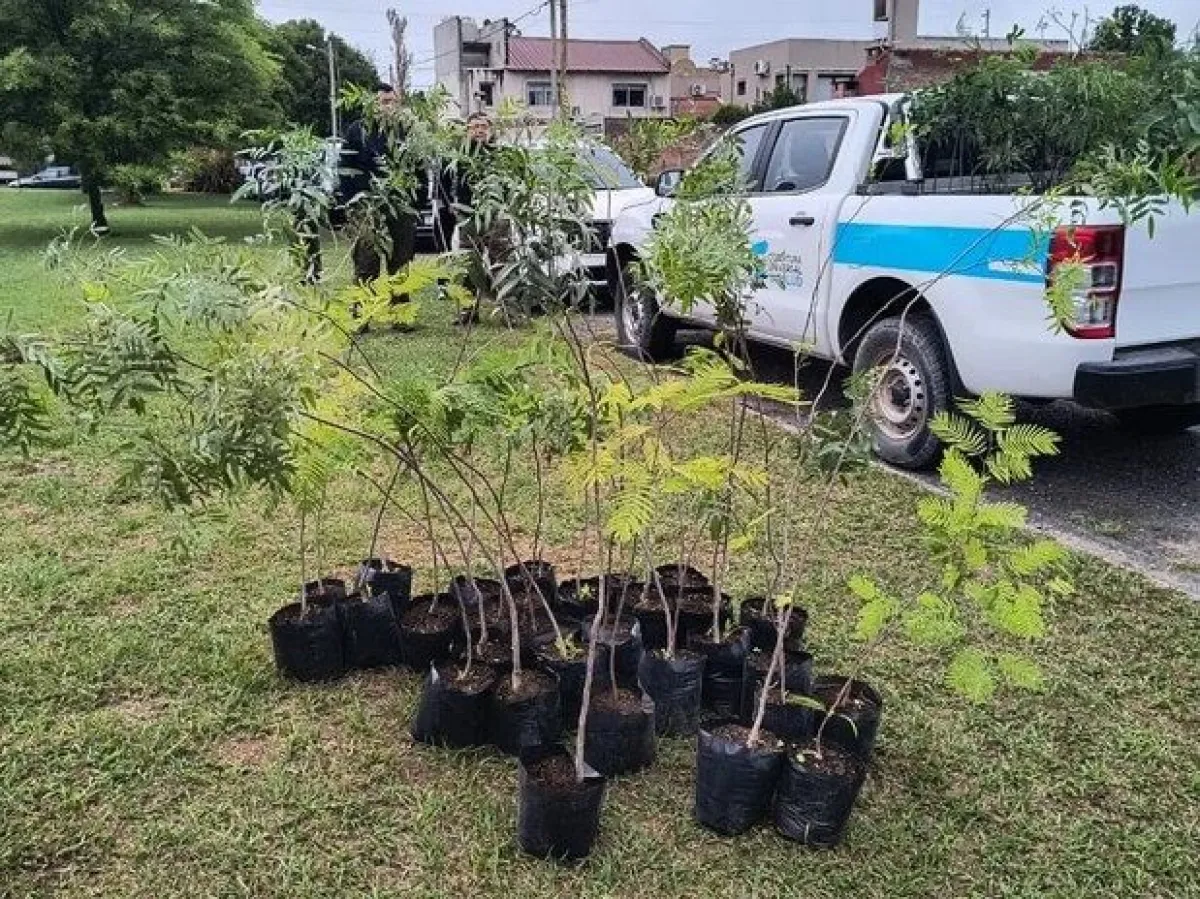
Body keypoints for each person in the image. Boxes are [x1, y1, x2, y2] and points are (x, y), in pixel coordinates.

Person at [340, 82, 417, 288]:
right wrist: (351, 203)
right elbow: (345, 167)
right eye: (383, 102)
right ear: (372, 104)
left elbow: (417, 169)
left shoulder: (407, 130)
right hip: (366, 206)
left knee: (401, 262)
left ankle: (399, 306)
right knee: (366, 262)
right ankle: (363, 307)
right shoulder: (357, 130)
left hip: (400, 205)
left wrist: (416, 203)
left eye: (392, 102)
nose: (388, 106)